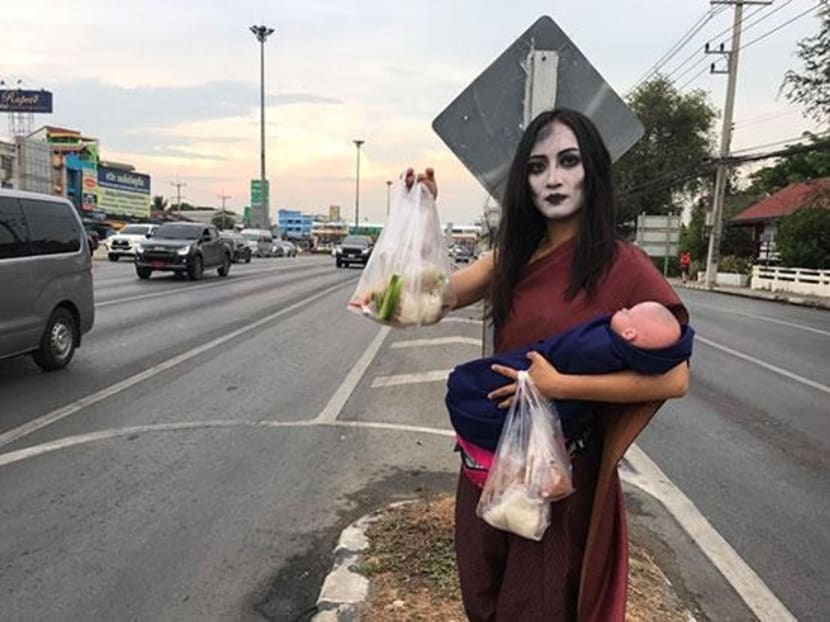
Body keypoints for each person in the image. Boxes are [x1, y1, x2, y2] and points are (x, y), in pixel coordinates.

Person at [406, 108, 689, 621]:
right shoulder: (513, 255)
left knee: (536, 607)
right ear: (524, 180)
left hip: (559, 476)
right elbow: (433, 302)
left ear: (593, 173)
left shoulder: (622, 265)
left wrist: (559, 385)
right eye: (538, 166)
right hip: (490, 464)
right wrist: (422, 213)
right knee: (484, 597)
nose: (553, 178)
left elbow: (675, 377)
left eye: (569, 161)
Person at [447, 300, 694, 488]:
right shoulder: (517, 252)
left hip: (569, 451)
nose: (622, 309)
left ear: (630, 334)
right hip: (532, 395)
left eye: (628, 312)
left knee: (473, 389)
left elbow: (676, 380)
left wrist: (559, 385)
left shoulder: (605, 342)